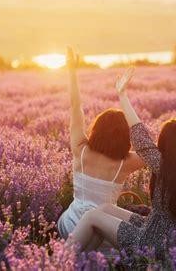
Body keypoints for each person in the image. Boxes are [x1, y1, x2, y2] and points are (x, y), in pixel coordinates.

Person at [69, 68, 176, 257]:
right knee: (104, 209)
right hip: (170, 235)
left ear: (165, 146)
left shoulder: (162, 166)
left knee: (93, 216)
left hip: (149, 241)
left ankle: (59, 262)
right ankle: (82, 261)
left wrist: (123, 95)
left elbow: (139, 134)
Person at [57, 48, 145, 239]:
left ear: (96, 130)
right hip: (102, 230)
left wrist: (72, 72)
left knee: (65, 219)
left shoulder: (80, 149)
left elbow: (75, 106)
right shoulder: (126, 162)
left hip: (71, 224)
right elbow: (154, 151)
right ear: (125, 136)